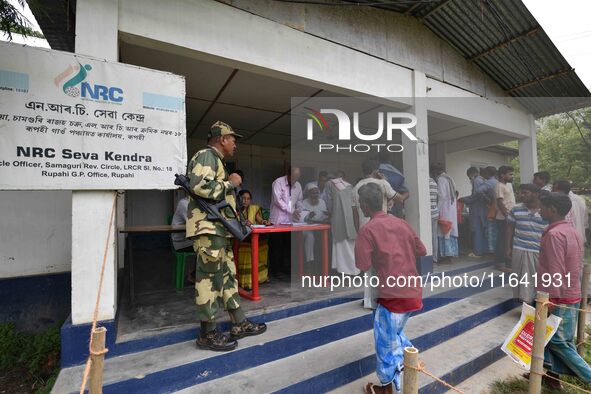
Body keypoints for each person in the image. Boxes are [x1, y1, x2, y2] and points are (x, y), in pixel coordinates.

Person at [187, 120, 266, 352]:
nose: (235, 144)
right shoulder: (206, 155)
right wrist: (230, 183)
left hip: (219, 230)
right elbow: (199, 186)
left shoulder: (217, 160)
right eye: (233, 139)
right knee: (209, 281)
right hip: (208, 230)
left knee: (228, 278)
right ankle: (207, 334)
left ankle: (239, 323)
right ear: (222, 139)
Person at [355, 182, 426, 394]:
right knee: (395, 335)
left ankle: (386, 390)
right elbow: (421, 250)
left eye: (360, 203)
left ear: (365, 206)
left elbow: (363, 265)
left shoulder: (367, 229)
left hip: (391, 297)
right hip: (413, 292)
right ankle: (406, 365)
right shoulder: (402, 223)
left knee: (384, 345)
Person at [536, 192, 591, 389]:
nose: (540, 210)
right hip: (571, 293)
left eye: (542, 207)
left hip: (558, 297)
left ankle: (589, 377)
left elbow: (556, 269)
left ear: (552, 209)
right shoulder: (571, 231)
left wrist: (553, 299)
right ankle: (552, 379)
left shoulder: (554, 234)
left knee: (558, 342)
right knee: (551, 338)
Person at [352, 159, 402, 310]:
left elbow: (355, 213)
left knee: (368, 267)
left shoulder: (356, 187)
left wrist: (358, 231)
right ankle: (385, 296)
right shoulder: (382, 183)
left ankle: (369, 299)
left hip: (364, 229)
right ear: (375, 170)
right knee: (385, 262)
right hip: (382, 227)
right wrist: (386, 181)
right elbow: (399, 199)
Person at [505, 184, 547, 304]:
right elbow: (509, 228)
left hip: (538, 251)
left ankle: (533, 305)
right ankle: (525, 305)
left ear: (536, 194)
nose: (521, 195)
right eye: (520, 193)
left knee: (535, 280)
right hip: (519, 248)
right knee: (519, 278)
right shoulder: (516, 209)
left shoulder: (545, 210)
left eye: (525, 193)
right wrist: (507, 247)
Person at [268, 166, 303, 275]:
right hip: (277, 220)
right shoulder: (278, 182)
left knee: (289, 246)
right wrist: (292, 210)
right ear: (288, 175)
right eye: (294, 177)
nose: (296, 180)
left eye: (298, 177)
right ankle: (275, 270)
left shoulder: (298, 185)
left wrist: (299, 210)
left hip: (290, 222)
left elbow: (300, 200)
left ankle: (287, 269)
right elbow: (277, 201)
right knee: (276, 247)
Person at [325, 171, 359, 275]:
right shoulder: (349, 185)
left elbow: (329, 203)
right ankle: (355, 271)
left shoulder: (329, 184)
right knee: (351, 247)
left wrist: (330, 214)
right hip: (352, 220)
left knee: (341, 249)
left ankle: (345, 274)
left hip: (338, 220)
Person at [236, 189, 270, 289]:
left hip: (251, 237)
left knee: (264, 243)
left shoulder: (254, 209)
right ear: (239, 199)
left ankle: (260, 278)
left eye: (248, 199)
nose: (245, 201)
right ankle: (246, 282)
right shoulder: (234, 210)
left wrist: (264, 222)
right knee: (248, 248)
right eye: (243, 198)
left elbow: (259, 219)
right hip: (239, 238)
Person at [430, 163, 458, 263]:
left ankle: (447, 256)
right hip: (451, 208)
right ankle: (450, 254)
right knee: (449, 231)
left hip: (444, 209)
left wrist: (437, 209)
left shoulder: (441, 179)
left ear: (435, 171)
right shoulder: (449, 178)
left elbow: (441, 196)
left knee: (444, 231)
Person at [459, 167, 488, 257]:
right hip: (482, 209)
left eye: (469, 177)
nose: (469, 180)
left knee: (477, 230)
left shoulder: (476, 181)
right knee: (482, 231)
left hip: (477, 209)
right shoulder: (483, 180)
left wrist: (465, 199)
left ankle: (478, 251)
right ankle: (483, 250)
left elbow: (476, 196)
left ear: (471, 174)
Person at [552, 180, 589, 244]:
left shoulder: (564, 203)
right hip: (579, 236)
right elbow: (585, 222)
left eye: (554, 188)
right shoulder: (580, 199)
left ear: (559, 189)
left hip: (569, 238)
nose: (552, 191)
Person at [300, 184, 329, 266]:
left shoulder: (322, 202)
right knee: (310, 237)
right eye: (313, 193)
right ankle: (310, 262)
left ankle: (325, 263)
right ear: (309, 194)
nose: (315, 195)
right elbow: (301, 219)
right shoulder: (304, 202)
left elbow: (325, 215)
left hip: (321, 227)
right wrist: (308, 216)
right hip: (307, 228)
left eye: (316, 193)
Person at [494, 165, 515, 272]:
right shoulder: (499, 186)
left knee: (508, 241)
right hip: (503, 218)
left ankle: (508, 262)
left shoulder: (508, 185)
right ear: (502, 175)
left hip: (509, 217)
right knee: (502, 241)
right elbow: (500, 202)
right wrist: (507, 216)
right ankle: (500, 264)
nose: (512, 176)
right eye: (510, 174)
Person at [378, 152, 409, 218]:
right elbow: (406, 193)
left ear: (378, 159)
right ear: (390, 159)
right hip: (395, 211)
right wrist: (396, 200)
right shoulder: (399, 174)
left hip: (379, 210)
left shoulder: (376, 172)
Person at [482, 166, 499, 254]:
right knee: (496, 231)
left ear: (488, 173)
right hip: (498, 211)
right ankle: (495, 250)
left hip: (492, 209)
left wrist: (486, 197)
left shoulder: (488, 183)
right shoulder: (498, 182)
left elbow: (478, 191)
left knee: (491, 231)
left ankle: (492, 251)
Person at [429, 175, 439, 265]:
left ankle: (430, 256)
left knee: (429, 236)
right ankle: (435, 258)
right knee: (434, 236)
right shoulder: (434, 183)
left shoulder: (425, 183)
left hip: (428, 214)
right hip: (435, 212)